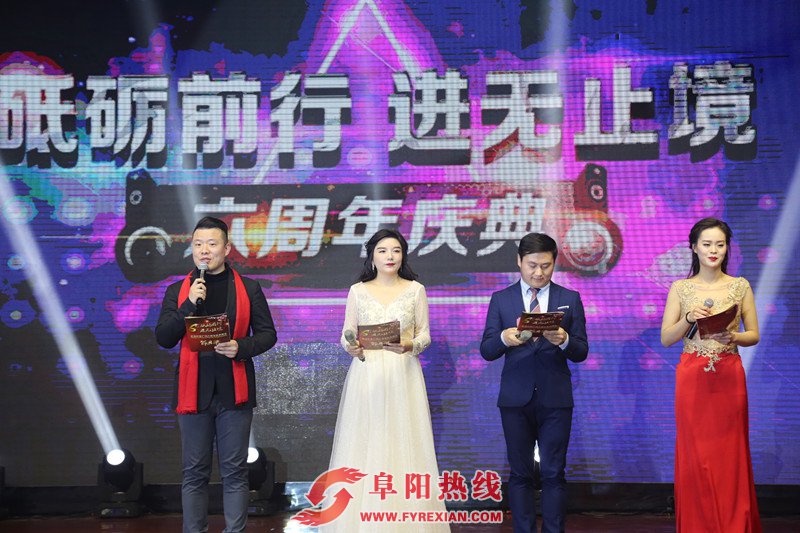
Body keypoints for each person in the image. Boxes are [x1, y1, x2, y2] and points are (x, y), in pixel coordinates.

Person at [155, 216, 277, 533]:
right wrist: (188, 305)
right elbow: (164, 337)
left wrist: (241, 346)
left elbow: (268, 334)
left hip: (234, 390)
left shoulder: (249, 288)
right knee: (194, 471)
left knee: (234, 471)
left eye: (211, 244)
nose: (204, 251)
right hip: (193, 391)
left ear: (227, 248)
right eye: (198, 244)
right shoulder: (178, 291)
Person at [322, 229, 449, 532]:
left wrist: (409, 345)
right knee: (365, 439)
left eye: (395, 250)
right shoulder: (358, 291)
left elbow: (425, 335)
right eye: (382, 251)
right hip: (367, 373)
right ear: (372, 257)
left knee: (406, 441)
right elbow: (346, 334)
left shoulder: (415, 290)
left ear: (403, 255)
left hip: (403, 372)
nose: (389, 256)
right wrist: (352, 347)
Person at [480, 232, 588, 533]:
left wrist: (564, 339)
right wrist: (505, 338)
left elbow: (581, 351)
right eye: (532, 265)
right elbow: (487, 350)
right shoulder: (501, 299)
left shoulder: (569, 299)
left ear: (554, 263)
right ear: (519, 262)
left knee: (554, 473)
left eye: (546, 265)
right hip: (515, 399)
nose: (539, 272)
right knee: (520, 474)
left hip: (556, 398)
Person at [660, 217, 761, 532]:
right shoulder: (681, 288)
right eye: (707, 244)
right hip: (693, 378)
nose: (713, 250)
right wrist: (689, 318)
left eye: (720, 244)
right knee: (696, 454)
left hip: (729, 375)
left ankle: (734, 524)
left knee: (730, 453)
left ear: (727, 247)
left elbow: (754, 334)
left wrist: (734, 337)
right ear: (694, 247)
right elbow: (666, 338)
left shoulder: (740, 285)